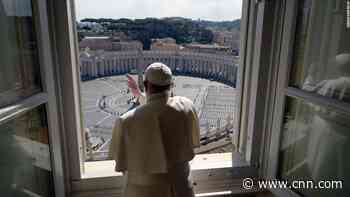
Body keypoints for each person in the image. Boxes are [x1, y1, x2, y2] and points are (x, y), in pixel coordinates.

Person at [109, 62, 201, 197]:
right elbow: (161, 106)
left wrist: (140, 94)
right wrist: (139, 95)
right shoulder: (187, 106)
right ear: (171, 85)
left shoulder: (126, 121)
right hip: (182, 189)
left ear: (146, 85)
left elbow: (122, 164)